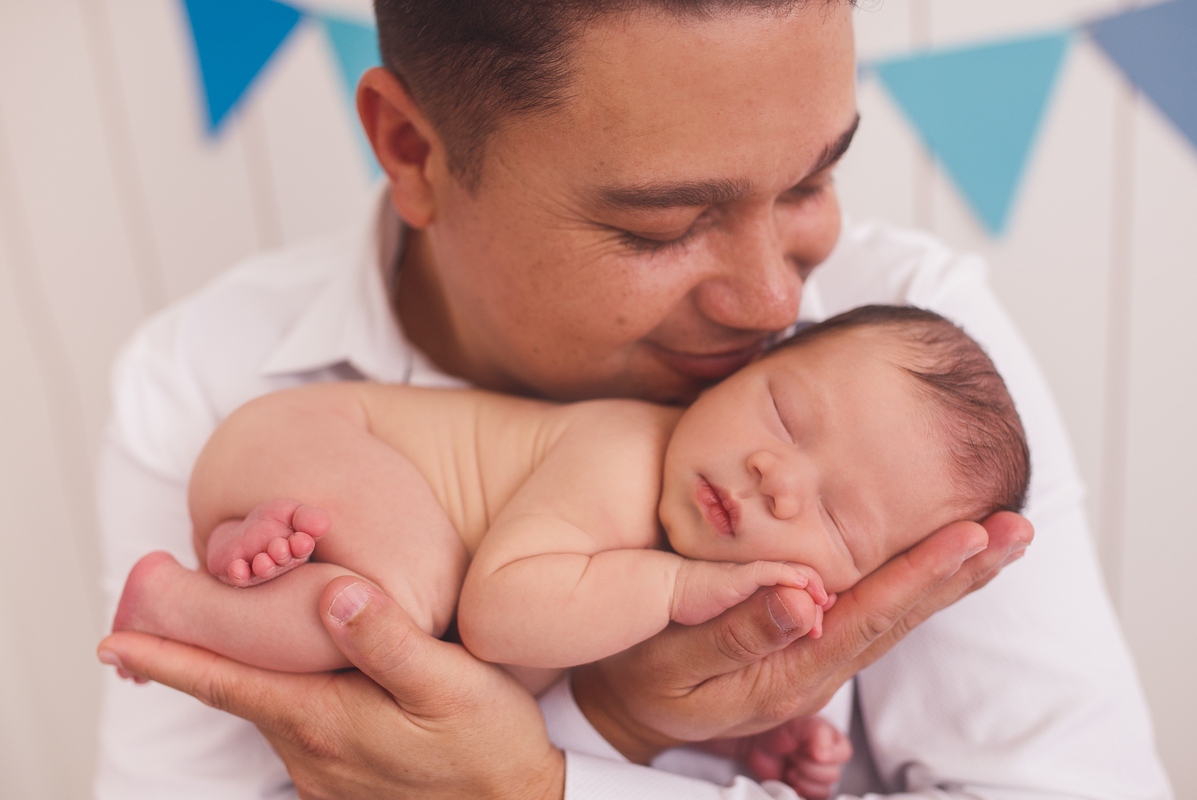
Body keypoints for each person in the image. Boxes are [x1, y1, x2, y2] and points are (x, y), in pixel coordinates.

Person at [93, 1, 1170, 798]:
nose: (774, 298)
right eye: (661, 228)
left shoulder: (909, 351)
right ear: (413, 149)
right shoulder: (212, 378)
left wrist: (551, 778)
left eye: (811, 182)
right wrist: (608, 722)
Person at [112, 307, 1028, 679]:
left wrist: (753, 747)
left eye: (835, 517)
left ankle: (256, 547)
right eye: (783, 414)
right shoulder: (629, 453)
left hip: (318, 487)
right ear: (747, 366)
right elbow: (502, 619)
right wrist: (674, 590)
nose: (774, 476)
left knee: (384, 599)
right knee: (405, 606)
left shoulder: (692, 554)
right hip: (313, 439)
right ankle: (176, 601)